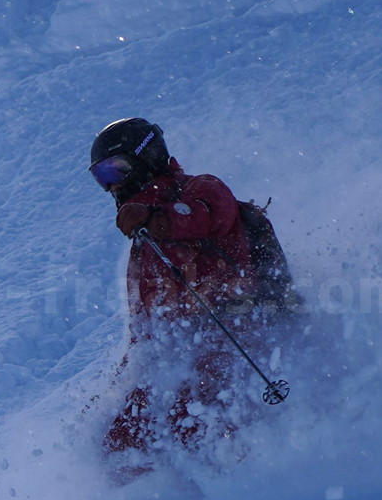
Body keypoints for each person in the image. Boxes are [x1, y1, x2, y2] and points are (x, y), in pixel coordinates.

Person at [88, 118, 297, 472]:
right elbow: (147, 327)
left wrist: (155, 217)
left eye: (116, 171)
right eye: (101, 177)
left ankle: (233, 498)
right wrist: (121, 384)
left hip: (233, 334)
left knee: (189, 425)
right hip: (176, 352)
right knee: (117, 441)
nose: (111, 187)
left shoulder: (201, 189)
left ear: (145, 158)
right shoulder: (143, 243)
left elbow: (205, 215)